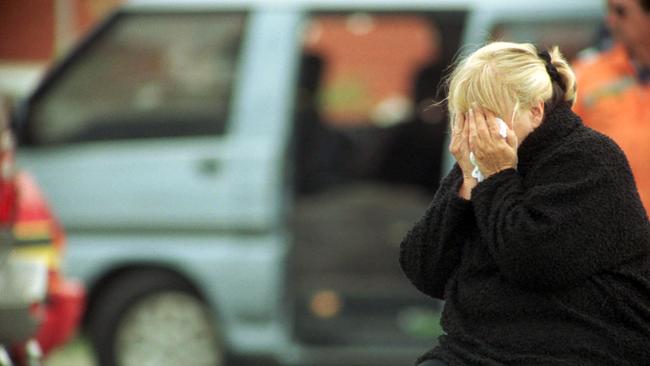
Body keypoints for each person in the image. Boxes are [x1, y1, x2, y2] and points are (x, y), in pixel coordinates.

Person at [399, 41, 650, 366]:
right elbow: (424, 271)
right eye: (467, 116)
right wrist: (466, 184)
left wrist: (497, 175)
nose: (478, 131)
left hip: (579, 347)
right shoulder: (481, 165)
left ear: (535, 110)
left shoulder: (589, 160)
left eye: (489, 117)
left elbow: (531, 262)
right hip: (474, 350)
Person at [573, 0, 650, 212]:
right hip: (610, 228)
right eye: (609, 10)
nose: (610, 20)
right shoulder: (585, 75)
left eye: (621, 12)